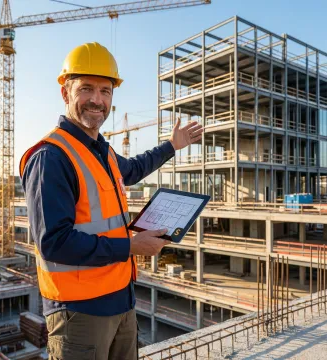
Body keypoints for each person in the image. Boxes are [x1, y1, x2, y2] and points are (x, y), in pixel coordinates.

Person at [20, 42, 203, 360]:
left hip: (121, 300)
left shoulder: (101, 151)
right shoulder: (51, 157)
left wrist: (172, 145)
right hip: (80, 312)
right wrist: (131, 246)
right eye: (87, 89)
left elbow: (133, 169)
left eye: (105, 91)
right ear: (66, 93)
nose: (97, 100)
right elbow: (54, 242)